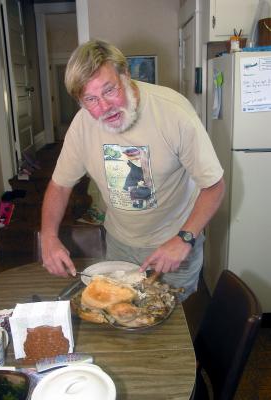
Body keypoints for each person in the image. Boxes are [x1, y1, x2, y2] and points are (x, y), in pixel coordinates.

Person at [41, 39, 225, 301]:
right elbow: (59, 186)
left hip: (174, 244)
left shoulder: (174, 113)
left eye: (109, 90)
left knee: (171, 335)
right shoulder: (82, 125)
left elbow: (214, 186)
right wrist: (48, 237)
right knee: (122, 323)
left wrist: (184, 239)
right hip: (120, 246)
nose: (104, 107)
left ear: (125, 75)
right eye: (91, 99)